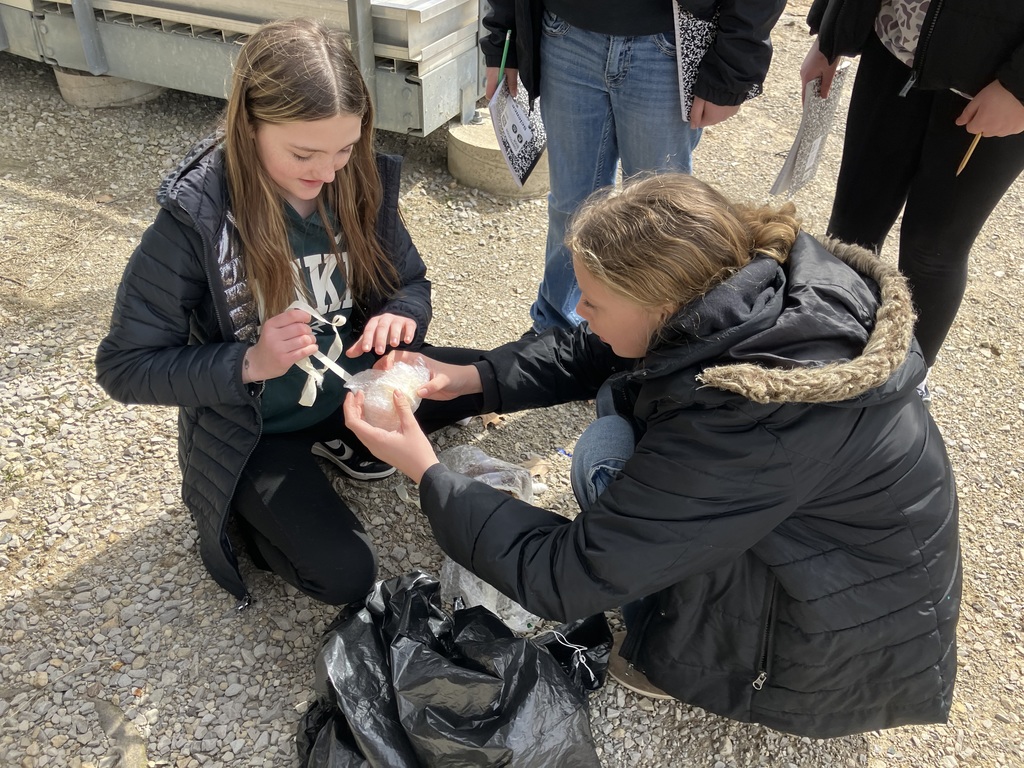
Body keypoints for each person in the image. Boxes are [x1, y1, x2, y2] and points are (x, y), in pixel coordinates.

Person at [344, 173, 961, 738]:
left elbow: (566, 574)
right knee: (617, 412)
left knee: (602, 460)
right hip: (831, 538)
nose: (580, 313)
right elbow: (594, 351)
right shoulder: (744, 291)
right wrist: (466, 379)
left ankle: (671, 651)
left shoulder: (753, 419)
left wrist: (424, 467)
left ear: (661, 304)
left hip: (840, 628)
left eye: (593, 301)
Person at [95, 18, 435, 607]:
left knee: (469, 374)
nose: (327, 172)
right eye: (303, 153)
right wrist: (248, 362)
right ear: (248, 125)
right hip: (255, 427)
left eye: (346, 148)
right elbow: (123, 366)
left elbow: (409, 281)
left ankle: (337, 440)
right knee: (347, 576)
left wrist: (401, 315)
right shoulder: (194, 219)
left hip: (345, 384)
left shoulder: (357, 181)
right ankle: (248, 514)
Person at [480, 0, 786, 334]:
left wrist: (733, 68)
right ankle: (554, 334)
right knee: (570, 210)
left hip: (668, 42)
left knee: (661, 224)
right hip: (564, 33)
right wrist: (503, 41)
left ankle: (648, 345)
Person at [800, 0, 1024, 396]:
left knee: (932, 250)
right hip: (892, 43)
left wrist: (1020, 87)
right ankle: (825, 350)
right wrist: (831, 33)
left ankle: (905, 383)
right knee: (852, 224)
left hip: (993, 78)